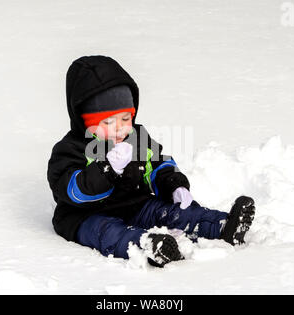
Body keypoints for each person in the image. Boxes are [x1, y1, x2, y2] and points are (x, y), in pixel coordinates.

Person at [47, 55, 255, 267]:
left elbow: (158, 164)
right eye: (108, 121)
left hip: (133, 204)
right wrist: (107, 170)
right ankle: (147, 246)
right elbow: (73, 190)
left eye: (126, 119)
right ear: (86, 122)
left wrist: (174, 184)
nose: (119, 128)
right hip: (85, 216)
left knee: (168, 211)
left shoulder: (136, 138)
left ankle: (220, 225)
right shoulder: (70, 150)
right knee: (108, 232)